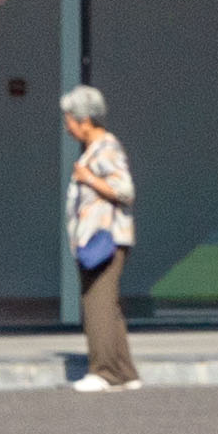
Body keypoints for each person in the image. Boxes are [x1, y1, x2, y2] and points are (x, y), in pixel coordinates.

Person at [59, 83, 142, 393]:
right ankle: (124, 372)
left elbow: (125, 190)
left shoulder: (106, 148)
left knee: (97, 305)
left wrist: (89, 178)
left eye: (69, 120)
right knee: (107, 306)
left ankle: (103, 372)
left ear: (85, 120)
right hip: (97, 239)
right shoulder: (96, 149)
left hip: (105, 239)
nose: (67, 126)